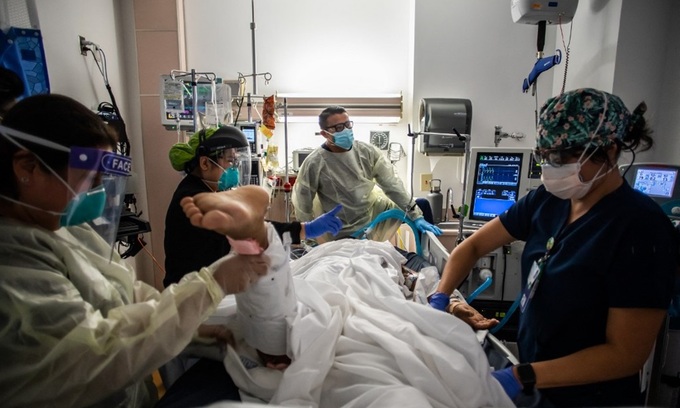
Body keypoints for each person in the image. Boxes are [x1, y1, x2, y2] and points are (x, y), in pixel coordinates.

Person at [0, 93, 270, 408]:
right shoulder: (13, 260)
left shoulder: (66, 228)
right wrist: (213, 284)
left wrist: (197, 332)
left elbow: (127, 295)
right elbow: (92, 357)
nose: (96, 193)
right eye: (87, 179)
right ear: (28, 167)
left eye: (100, 181)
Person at [431, 88, 679, 407]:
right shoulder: (548, 201)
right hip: (538, 382)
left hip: (591, 397)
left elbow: (625, 355)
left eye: (562, 158)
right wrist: (441, 297)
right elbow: (473, 246)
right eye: (546, 156)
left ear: (610, 151)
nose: (551, 167)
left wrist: (521, 376)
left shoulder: (639, 228)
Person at [165, 125, 343, 287]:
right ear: (205, 163)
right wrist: (305, 229)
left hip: (205, 285)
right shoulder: (194, 198)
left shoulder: (202, 190)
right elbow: (250, 230)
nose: (233, 169)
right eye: (229, 161)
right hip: (193, 293)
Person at [181, 185, 297, 370]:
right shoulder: (194, 192)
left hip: (190, 291)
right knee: (291, 338)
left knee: (264, 278)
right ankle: (256, 236)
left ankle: (253, 237)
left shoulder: (189, 193)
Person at [292, 105, 442, 241]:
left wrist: (416, 216)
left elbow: (391, 185)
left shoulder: (366, 152)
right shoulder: (314, 163)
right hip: (339, 228)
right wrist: (308, 239)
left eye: (347, 125)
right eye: (338, 128)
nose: (345, 130)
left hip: (374, 214)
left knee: (421, 205)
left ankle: (429, 255)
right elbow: (303, 205)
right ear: (324, 133)